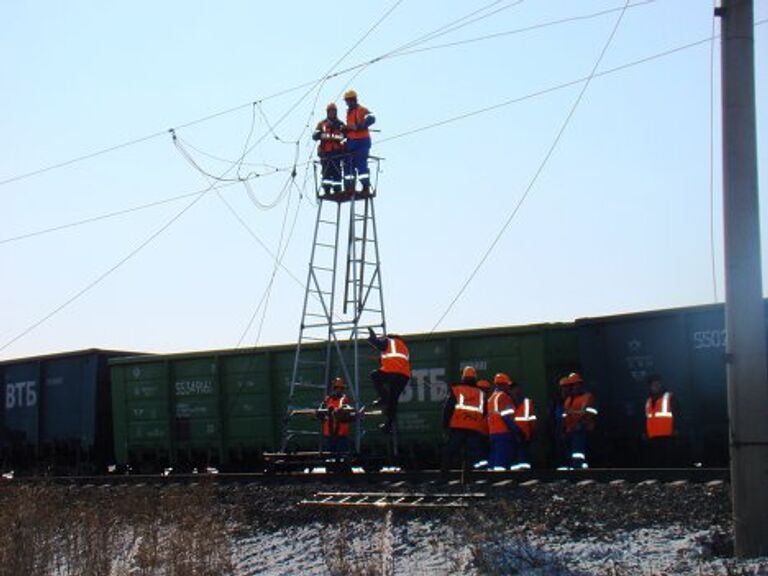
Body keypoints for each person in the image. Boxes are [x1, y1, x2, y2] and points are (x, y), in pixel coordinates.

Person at [441, 366, 488, 475]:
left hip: (458, 427)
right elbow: (485, 411)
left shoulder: (457, 390)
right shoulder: (481, 394)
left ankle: (443, 477)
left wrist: (445, 425)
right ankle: (466, 479)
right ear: (475, 378)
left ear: (463, 378)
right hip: (474, 429)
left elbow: (448, 408)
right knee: (469, 455)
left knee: (450, 452)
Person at [367, 328, 411, 434]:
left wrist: (372, 338)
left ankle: (383, 397)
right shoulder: (403, 346)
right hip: (403, 376)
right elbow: (394, 358)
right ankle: (388, 425)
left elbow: (380, 345)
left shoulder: (390, 341)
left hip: (392, 373)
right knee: (393, 400)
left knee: (375, 376)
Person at [561, 372, 598, 469]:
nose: (572, 387)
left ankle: (580, 470)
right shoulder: (568, 400)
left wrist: (581, 424)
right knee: (574, 453)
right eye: (571, 385)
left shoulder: (587, 397)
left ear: (579, 385)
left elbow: (591, 412)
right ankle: (577, 470)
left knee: (579, 453)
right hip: (571, 430)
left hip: (583, 429)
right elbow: (566, 416)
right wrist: (565, 429)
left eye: (574, 385)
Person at [342, 89, 375, 193]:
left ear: (353, 100)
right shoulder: (349, 113)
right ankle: (349, 187)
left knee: (361, 165)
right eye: (347, 101)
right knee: (348, 164)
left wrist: (362, 125)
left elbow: (371, 117)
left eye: (349, 101)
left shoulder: (361, 110)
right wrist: (345, 130)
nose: (347, 103)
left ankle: (365, 187)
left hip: (362, 142)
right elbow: (351, 129)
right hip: (351, 143)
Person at [644, 374, 680, 467]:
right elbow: (648, 418)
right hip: (653, 438)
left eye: (657, 384)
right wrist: (645, 433)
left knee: (668, 463)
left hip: (667, 436)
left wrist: (676, 429)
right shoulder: (648, 401)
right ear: (650, 387)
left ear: (661, 385)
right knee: (656, 463)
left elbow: (678, 414)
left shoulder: (669, 398)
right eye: (653, 385)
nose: (655, 386)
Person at [486, 372, 518, 470]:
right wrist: (516, 431)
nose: (508, 387)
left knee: (494, 455)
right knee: (502, 456)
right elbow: (507, 417)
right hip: (503, 432)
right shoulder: (504, 397)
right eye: (507, 385)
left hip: (493, 432)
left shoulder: (491, 398)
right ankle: (499, 477)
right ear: (504, 385)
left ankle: (490, 475)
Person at [312, 102, 346, 194]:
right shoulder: (322, 124)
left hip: (336, 152)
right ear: (327, 112)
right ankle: (326, 189)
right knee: (326, 172)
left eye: (333, 111)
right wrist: (322, 135)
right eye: (330, 111)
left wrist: (334, 137)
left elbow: (344, 135)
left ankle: (337, 189)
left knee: (337, 172)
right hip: (325, 152)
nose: (332, 113)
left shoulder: (340, 124)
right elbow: (314, 136)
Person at [319, 377, 354, 454]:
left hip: (342, 434)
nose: (338, 389)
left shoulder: (345, 399)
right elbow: (320, 412)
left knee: (342, 456)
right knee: (329, 457)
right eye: (336, 387)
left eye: (341, 388)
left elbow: (351, 413)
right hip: (329, 434)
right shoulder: (327, 400)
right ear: (333, 388)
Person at [509, 379, 536, 469]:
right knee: (514, 457)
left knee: (524, 457)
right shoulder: (507, 403)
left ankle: (524, 475)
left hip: (524, 435)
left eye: (517, 389)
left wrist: (532, 432)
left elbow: (532, 419)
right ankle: (516, 476)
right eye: (514, 389)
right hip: (513, 435)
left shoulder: (527, 403)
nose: (516, 391)